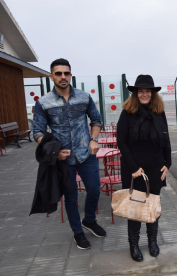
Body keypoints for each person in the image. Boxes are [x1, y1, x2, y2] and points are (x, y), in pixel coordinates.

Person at [33, 58, 105, 250]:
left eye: (66, 73)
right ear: (51, 76)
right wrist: (53, 152)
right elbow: (37, 132)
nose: (63, 77)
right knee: (71, 197)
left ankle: (89, 220)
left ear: (71, 75)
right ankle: (78, 233)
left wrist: (93, 139)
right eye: (58, 73)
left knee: (95, 190)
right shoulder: (43, 103)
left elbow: (97, 120)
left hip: (85, 154)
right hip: (63, 159)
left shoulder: (83, 97)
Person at [117, 74, 171, 262]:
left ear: (153, 93)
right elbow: (121, 142)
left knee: (153, 207)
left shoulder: (159, 112)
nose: (145, 94)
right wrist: (133, 167)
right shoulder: (127, 112)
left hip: (155, 167)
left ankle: (152, 242)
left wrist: (168, 164)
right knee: (135, 208)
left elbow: (165, 139)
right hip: (134, 169)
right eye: (141, 91)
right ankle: (134, 245)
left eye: (148, 91)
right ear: (136, 93)